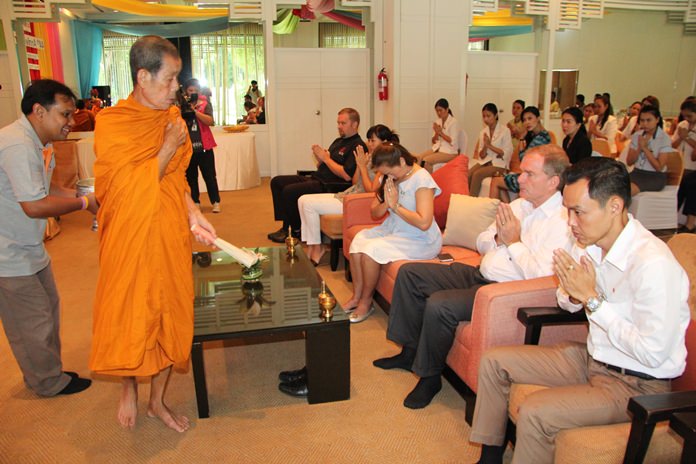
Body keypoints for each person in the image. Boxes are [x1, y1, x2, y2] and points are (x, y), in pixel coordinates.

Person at [470, 157, 689, 464]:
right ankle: (489, 459)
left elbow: (652, 352)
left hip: (635, 383)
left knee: (536, 411)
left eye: (578, 212)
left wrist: (592, 300)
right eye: (567, 211)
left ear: (614, 206)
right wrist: (575, 295)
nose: (570, 222)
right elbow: (565, 298)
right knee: (494, 362)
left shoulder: (653, 264)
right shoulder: (590, 244)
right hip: (593, 358)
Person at [373, 145, 573, 409]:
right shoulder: (520, 205)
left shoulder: (562, 223)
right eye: (521, 172)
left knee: (440, 304)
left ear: (553, 181)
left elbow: (542, 275)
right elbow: (482, 240)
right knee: (411, 273)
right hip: (481, 272)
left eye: (529, 174)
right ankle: (409, 352)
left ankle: (429, 377)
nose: (519, 179)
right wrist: (500, 239)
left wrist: (513, 243)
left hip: (504, 291)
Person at [89, 35, 217, 432]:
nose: (177, 87)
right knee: (131, 313)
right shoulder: (113, 122)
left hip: (166, 228)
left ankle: (156, 402)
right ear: (142, 77)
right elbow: (120, 189)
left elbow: (177, 178)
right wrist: (165, 147)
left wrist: (194, 214)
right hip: (130, 233)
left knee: (170, 311)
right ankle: (128, 385)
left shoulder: (173, 120)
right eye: (171, 78)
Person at [0, 79, 98, 397]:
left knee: (48, 309)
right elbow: (35, 205)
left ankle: (48, 371)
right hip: (8, 251)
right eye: (65, 114)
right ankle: (46, 382)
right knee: (30, 321)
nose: (71, 122)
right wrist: (84, 203)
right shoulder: (16, 144)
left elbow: (47, 189)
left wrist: (84, 195)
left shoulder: (39, 143)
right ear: (39, 111)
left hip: (29, 245)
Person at [346, 142, 442, 324]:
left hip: (420, 238)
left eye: (389, 172)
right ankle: (356, 297)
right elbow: (374, 212)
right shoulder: (388, 177)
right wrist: (386, 204)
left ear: (401, 161)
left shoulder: (421, 179)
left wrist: (396, 206)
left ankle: (366, 303)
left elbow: (424, 222)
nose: (386, 176)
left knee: (371, 250)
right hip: (394, 228)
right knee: (358, 241)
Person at [297, 124, 397, 265]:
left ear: (385, 141)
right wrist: (359, 165)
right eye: (368, 140)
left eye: (373, 140)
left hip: (359, 201)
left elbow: (371, 190)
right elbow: (355, 182)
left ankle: (317, 247)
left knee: (308, 204)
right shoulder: (370, 157)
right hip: (351, 193)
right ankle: (313, 246)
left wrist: (362, 167)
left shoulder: (385, 163)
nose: (369, 143)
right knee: (302, 200)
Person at [267, 108, 367, 243]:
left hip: (330, 185)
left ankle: (295, 230)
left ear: (354, 125)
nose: (339, 126)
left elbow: (347, 176)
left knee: (289, 191)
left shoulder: (357, 146)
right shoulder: (338, 141)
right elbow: (324, 166)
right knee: (277, 181)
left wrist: (326, 159)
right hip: (317, 177)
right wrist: (320, 159)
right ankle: (287, 224)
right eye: (338, 123)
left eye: (343, 123)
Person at [489, 106, 551, 203]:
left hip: (532, 178)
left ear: (538, 118)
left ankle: (491, 214)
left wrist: (522, 139)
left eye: (530, 118)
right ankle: (509, 209)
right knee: (497, 179)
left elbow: (524, 159)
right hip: (529, 174)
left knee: (496, 181)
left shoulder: (541, 138)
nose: (527, 122)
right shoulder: (534, 135)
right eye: (525, 120)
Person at [182, 78, 221, 213]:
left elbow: (210, 121)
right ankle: (195, 202)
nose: (193, 93)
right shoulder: (181, 105)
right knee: (191, 177)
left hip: (204, 147)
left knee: (209, 175)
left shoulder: (204, 104)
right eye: (190, 90)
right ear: (186, 91)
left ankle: (215, 202)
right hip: (188, 148)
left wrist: (196, 112)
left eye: (195, 91)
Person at [626, 105, 673, 195]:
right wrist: (639, 148)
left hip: (655, 177)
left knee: (627, 190)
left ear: (657, 120)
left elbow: (659, 167)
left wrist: (645, 148)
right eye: (642, 120)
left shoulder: (664, 138)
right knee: (614, 184)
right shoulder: (637, 135)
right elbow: (629, 162)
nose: (645, 124)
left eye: (648, 120)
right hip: (637, 172)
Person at [469, 103, 513, 196]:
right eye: (484, 116)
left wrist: (489, 146)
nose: (486, 119)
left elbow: (505, 153)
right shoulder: (483, 132)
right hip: (486, 162)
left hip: (500, 164)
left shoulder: (505, 131)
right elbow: (481, 155)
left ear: (496, 115)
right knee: (469, 173)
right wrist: (485, 146)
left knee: (477, 174)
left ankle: (472, 200)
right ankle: (465, 197)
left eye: (488, 116)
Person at [416, 98, 460, 172]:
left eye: (440, 110)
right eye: (437, 111)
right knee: (420, 157)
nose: (439, 113)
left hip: (450, 152)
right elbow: (433, 141)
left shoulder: (454, 122)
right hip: (438, 149)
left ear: (447, 109)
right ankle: (417, 179)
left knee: (426, 161)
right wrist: (436, 133)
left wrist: (441, 133)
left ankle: (429, 182)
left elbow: (453, 142)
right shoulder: (438, 121)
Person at [673, 98, 696, 232]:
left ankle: (690, 223)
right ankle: (672, 219)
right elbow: (672, 145)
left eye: (690, 116)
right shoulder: (682, 125)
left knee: (691, 184)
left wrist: (687, 137)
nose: (687, 119)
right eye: (685, 116)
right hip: (681, 165)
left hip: (693, 167)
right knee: (680, 182)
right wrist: (681, 137)